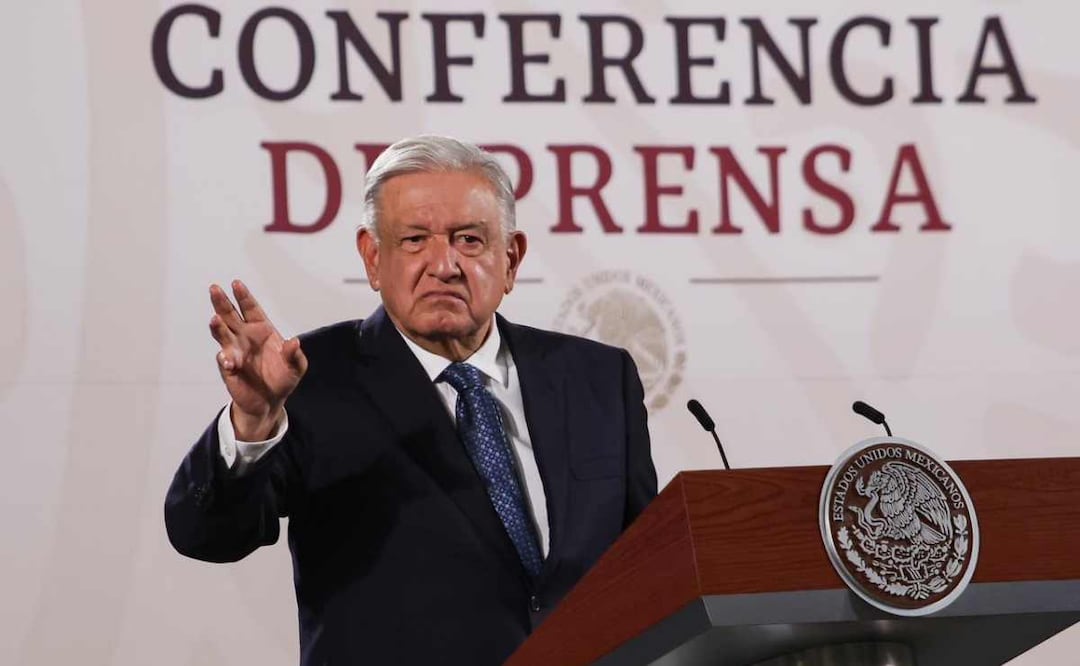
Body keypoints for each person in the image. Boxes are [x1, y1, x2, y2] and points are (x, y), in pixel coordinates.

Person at [165, 135, 657, 665]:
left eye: (470, 240)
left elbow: (651, 564)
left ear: (511, 259)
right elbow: (206, 534)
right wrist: (252, 421)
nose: (444, 264)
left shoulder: (598, 377)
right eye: (415, 240)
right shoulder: (309, 378)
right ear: (374, 258)